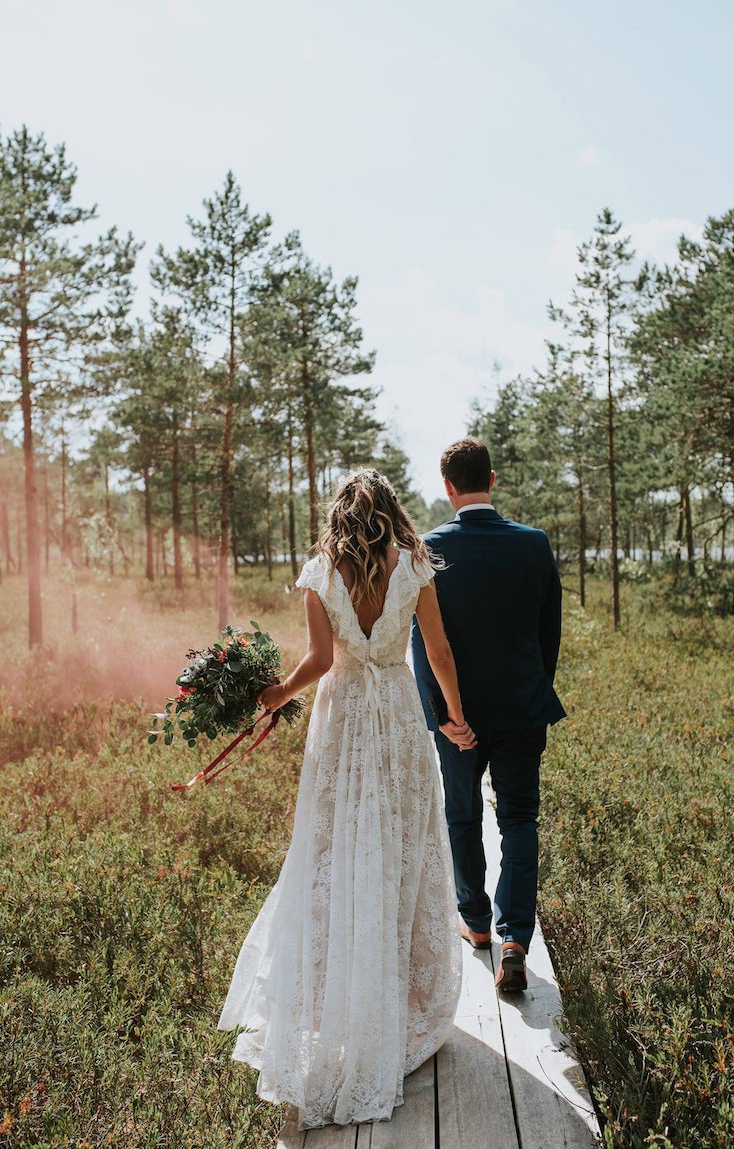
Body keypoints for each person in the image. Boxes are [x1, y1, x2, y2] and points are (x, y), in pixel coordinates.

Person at [218, 468, 474, 1129]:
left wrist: (275, 695)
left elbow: (322, 660)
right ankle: (397, 1001)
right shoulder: (415, 566)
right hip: (393, 714)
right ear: (390, 514)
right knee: (399, 851)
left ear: (337, 519)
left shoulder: (319, 574)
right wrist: (455, 715)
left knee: (334, 849)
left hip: (341, 722)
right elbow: (439, 651)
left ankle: (341, 998)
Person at [411, 437, 566, 993]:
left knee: (463, 815)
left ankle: (476, 924)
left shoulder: (427, 549)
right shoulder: (533, 544)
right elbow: (549, 631)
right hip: (523, 707)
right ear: (493, 480)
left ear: (447, 487)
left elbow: (425, 645)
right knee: (520, 819)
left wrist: (440, 713)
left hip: (460, 717)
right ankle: (516, 939)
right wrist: (533, 688)